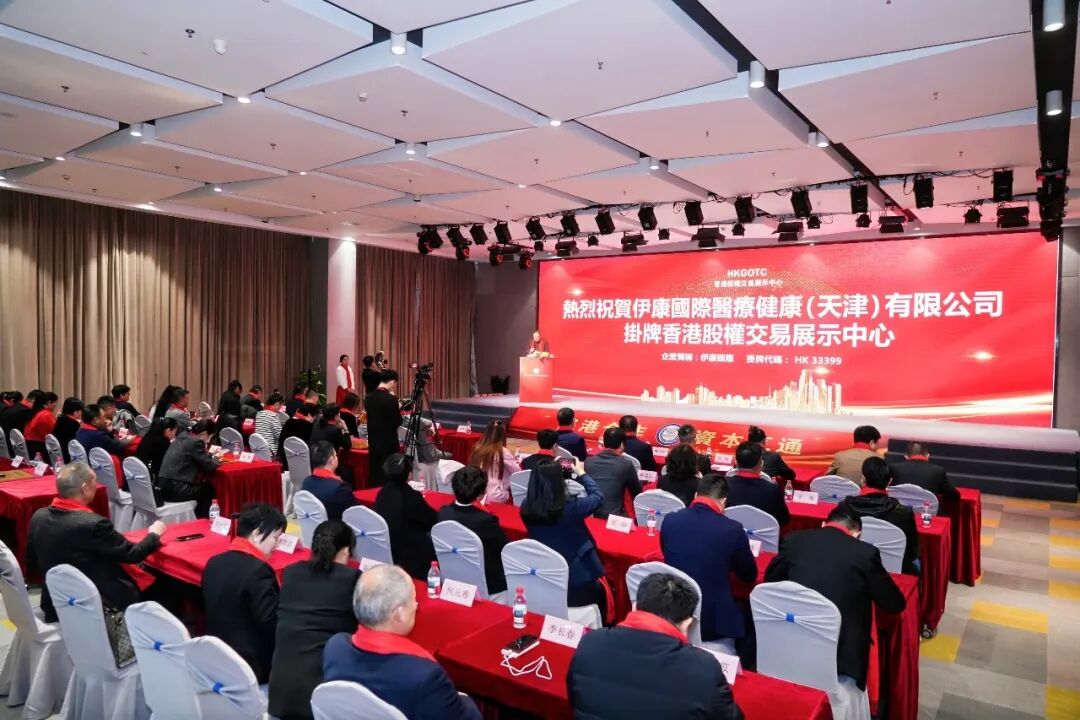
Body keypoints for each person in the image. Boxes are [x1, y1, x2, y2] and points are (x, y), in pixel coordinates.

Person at [764, 506, 906, 691]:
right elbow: (893, 604)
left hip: (792, 634)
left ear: (824, 524)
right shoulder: (865, 553)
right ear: (857, 534)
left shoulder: (794, 540)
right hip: (841, 651)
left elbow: (771, 581)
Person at [568, 572, 743, 720]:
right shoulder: (703, 669)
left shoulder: (590, 644)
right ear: (687, 624)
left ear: (635, 607)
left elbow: (575, 697)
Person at [322, 565, 482, 720]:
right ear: (399, 614)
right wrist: (463, 698)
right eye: (413, 600)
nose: (416, 606)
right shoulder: (424, 675)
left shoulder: (335, 648)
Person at [27, 463, 166, 623]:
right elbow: (132, 554)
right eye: (95, 482)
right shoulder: (93, 524)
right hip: (94, 603)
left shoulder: (38, 516)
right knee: (161, 582)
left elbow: (32, 564)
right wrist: (153, 535)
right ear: (85, 488)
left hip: (54, 600)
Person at [268, 520, 360, 720]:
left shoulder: (291, 572)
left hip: (278, 694)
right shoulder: (351, 578)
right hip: (320, 701)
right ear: (346, 551)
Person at [661, 474, 757, 650]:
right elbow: (748, 575)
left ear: (696, 495)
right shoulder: (732, 529)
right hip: (713, 619)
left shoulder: (670, 520)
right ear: (724, 502)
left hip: (672, 609)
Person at [202, 503, 287, 684]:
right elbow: (272, 622)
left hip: (217, 655)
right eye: (275, 537)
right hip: (250, 665)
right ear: (257, 534)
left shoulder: (213, 562)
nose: (277, 544)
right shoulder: (259, 571)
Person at [522, 460, 607, 613]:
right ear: (559, 482)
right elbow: (597, 496)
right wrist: (581, 473)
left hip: (546, 571)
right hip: (578, 576)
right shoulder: (571, 508)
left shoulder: (526, 507)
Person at [838, 457, 920, 575]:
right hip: (893, 573)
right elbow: (912, 553)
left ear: (862, 479)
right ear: (889, 482)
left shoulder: (844, 506)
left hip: (852, 568)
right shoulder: (904, 512)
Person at [436, 466, 510, 596]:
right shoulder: (486, 520)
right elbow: (504, 548)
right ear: (482, 492)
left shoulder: (443, 513)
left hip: (452, 577)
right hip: (488, 584)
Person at [373, 454, 436, 579]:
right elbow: (431, 520)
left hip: (386, 544)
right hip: (408, 552)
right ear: (409, 475)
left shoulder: (382, 492)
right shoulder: (411, 496)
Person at [157, 419, 221, 517]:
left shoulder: (182, 436)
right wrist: (217, 459)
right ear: (204, 433)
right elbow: (209, 466)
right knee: (207, 489)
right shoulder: (196, 442)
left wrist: (209, 455)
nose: (208, 441)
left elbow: (193, 455)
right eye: (210, 437)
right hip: (176, 489)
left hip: (163, 486)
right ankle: (204, 520)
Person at [726, 441, 790, 527]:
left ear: (735, 463)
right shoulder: (772, 490)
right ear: (761, 463)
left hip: (728, 533)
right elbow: (784, 520)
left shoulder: (722, 485)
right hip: (761, 535)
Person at [583, 428, 641, 519]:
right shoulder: (626, 464)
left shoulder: (588, 461)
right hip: (614, 516)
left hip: (590, 512)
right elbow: (636, 492)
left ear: (604, 443)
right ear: (622, 444)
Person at [364, 370, 403, 487]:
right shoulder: (392, 399)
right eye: (395, 383)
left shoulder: (368, 397)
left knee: (375, 473)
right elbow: (397, 422)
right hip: (389, 442)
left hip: (373, 441)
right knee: (388, 475)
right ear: (392, 381)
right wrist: (398, 407)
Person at [301, 441, 358, 521]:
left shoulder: (306, 482)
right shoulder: (340, 488)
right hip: (335, 527)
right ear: (331, 460)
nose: (337, 458)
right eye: (336, 455)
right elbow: (357, 514)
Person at [467, 420, 520, 504]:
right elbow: (517, 472)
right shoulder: (502, 451)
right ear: (503, 435)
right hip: (494, 494)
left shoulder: (477, 447)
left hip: (474, 492)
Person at [889, 442, 960, 501]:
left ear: (906, 456)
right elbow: (954, 496)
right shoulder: (938, 471)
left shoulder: (894, 468)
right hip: (927, 512)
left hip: (898, 511)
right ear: (927, 456)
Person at [278, 403, 317, 469]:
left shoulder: (288, 421)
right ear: (309, 415)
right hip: (300, 462)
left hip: (283, 459)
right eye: (314, 417)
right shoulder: (308, 426)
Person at [23, 391, 58, 460]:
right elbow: (54, 432)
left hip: (29, 446)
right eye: (55, 402)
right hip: (39, 449)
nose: (55, 405)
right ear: (49, 402)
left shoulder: (36, 412)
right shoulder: (46, 414)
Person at [255, 391, 285, 459]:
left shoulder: (259, 414)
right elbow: (279, 436)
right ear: (277, 404)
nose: (281, 408)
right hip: (270, 451)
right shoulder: (273, 416)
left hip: (259, 449)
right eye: (281, 405)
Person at [53, 397, 84, 463]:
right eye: (81, 410)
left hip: (57, 453)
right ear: (75, 411)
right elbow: (75, 442)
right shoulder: (74, 424)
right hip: (67, 456)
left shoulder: (60, 419)